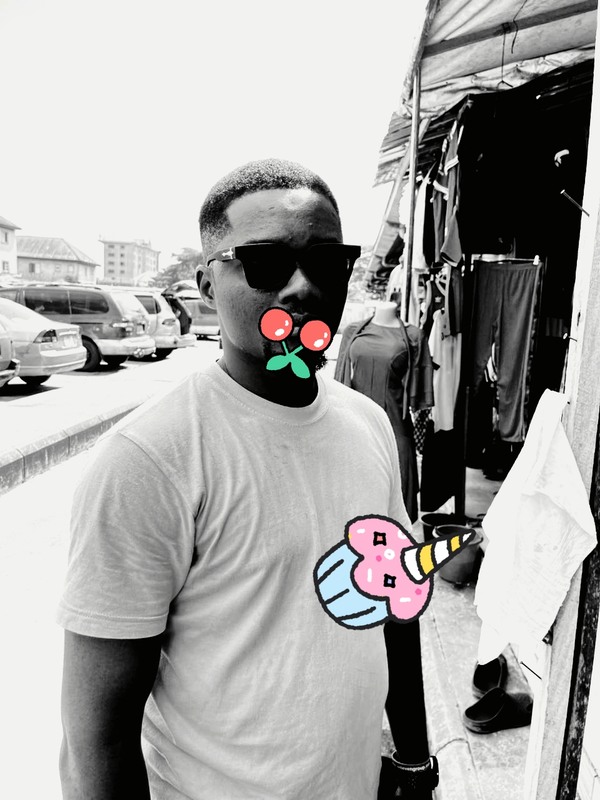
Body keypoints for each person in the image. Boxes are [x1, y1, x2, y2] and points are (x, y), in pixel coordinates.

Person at [58, 158, 411, 800]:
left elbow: (394, 603)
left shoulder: (368, 425)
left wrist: (413, 761)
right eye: (266, 263)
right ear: (205, 284)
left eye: (327, 263)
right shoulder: (149, 459)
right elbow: (96, 744)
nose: (303, 288)